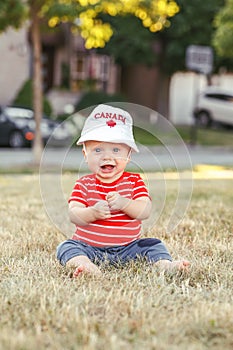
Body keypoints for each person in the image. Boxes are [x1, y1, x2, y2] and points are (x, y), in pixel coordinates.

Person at [56, 104, 190, 277]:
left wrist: (124, 203)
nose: (107, 156)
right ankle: (86, 265)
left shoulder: (134, 181)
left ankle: (165, 265)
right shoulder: (84, 183)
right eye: (97, 150)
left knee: (154, 244)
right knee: (66, 247)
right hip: (89, 247)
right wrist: (92, 212)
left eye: (116, 150)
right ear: (85, 155)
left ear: (128, 156)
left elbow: (145, 211)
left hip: (129, 248)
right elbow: (73, 214)